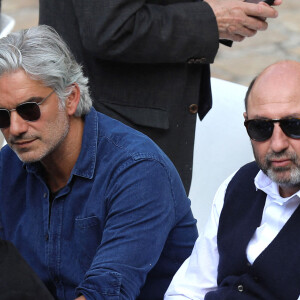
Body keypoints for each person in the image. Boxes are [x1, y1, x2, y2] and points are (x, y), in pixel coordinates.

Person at [0, 25, 198, 300]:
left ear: (70, 99)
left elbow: (106, 293)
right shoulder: (8, 166)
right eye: (2, 116)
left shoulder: (138, 170)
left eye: (29, 109)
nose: (15, 127)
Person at [39, 0, 281, 194]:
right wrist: (210, 19)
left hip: (127, 129)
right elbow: (112, 27)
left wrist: (230, 8)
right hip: (108, 130)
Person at [164, 60, 300, 300]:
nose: (277, 144)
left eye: (294, 125)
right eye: (261, 127)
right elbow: (188, 289)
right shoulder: (238, 185)